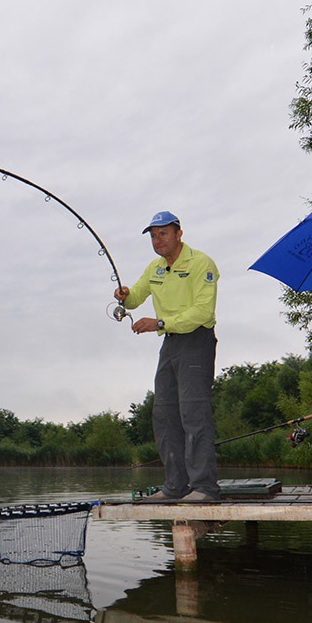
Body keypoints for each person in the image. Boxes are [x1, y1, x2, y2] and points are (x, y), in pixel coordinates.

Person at [115, 211, 221, 502]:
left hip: (196, 340)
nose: (157, 240)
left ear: (179, 233)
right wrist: (124, 294)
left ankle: (205, 488)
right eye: (152, 235)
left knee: (193, 412)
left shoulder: (201, 263)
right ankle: (176, 486)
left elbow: (203, 312)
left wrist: (159, 324)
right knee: (163, 413)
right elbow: (135, 296)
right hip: (170, 345)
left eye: (163, 233)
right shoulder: (155, 268)